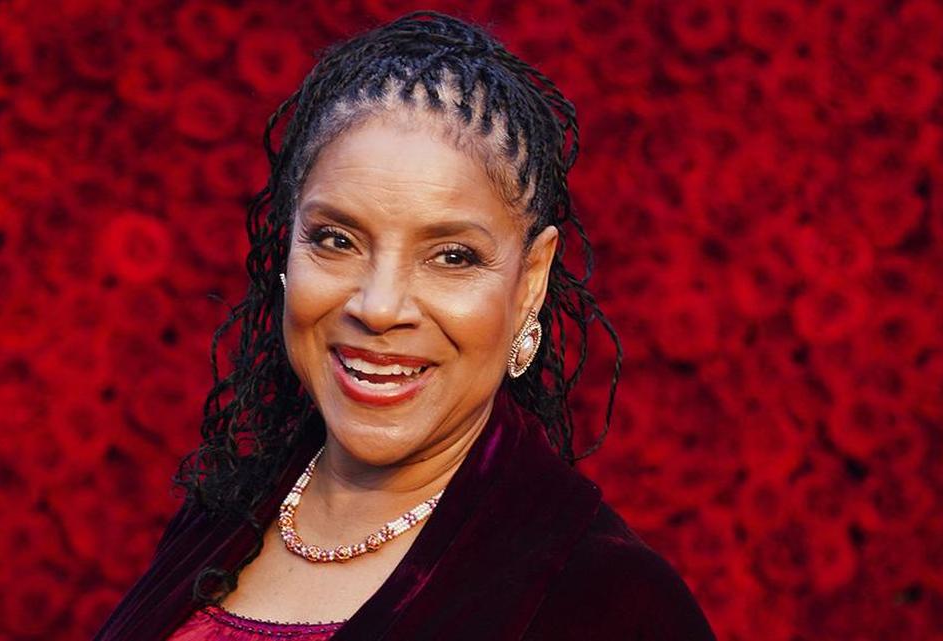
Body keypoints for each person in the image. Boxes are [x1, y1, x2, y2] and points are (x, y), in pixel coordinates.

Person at [96, 11, 715, 641]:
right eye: (336, 240)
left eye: (452, 256)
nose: (379, 306)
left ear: (530, 280)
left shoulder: (610, 600)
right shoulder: (219, 518)